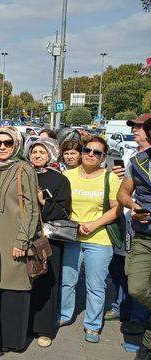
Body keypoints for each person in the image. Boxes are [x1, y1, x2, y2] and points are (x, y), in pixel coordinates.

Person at [0, 126, 39, 353]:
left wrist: (22, 241)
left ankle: (13, 341)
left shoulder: (24, 169)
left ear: (16, 144)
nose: (2, 147)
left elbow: (32, 209)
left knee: (14, 290)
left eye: (7, 142)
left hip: (14, 240)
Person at [60, 136, 121, 343]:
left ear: (104, 157)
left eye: (97, 152)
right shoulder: (67, 175)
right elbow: (61, 205)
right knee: (67, 280)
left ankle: (92, 325)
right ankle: (64, 315)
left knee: (96, 284)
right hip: (72, 235)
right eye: (87, 150)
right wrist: (74, 224)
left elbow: (117, 209)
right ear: (82, 151)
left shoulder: (110, 178)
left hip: (100, 238)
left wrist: (94, 224)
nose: (91, 155)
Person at [26, 137, 71, 348]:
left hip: (49, 237)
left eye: (42, 153)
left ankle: (44, 329)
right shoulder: (23, 173)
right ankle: (25, 325)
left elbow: (64, 211)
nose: (37, 156)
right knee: (26, 280)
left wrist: (44, 201)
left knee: (47, 280)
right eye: (34, 152)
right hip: (24, 236)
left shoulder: (59, 179)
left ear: (50, 155)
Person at [117, 115, 151, 358]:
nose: (138, 131)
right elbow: (122, 193)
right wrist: (133, 205)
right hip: (144, 237)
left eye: (141, 127)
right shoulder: (137, 161)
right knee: (137, 288)